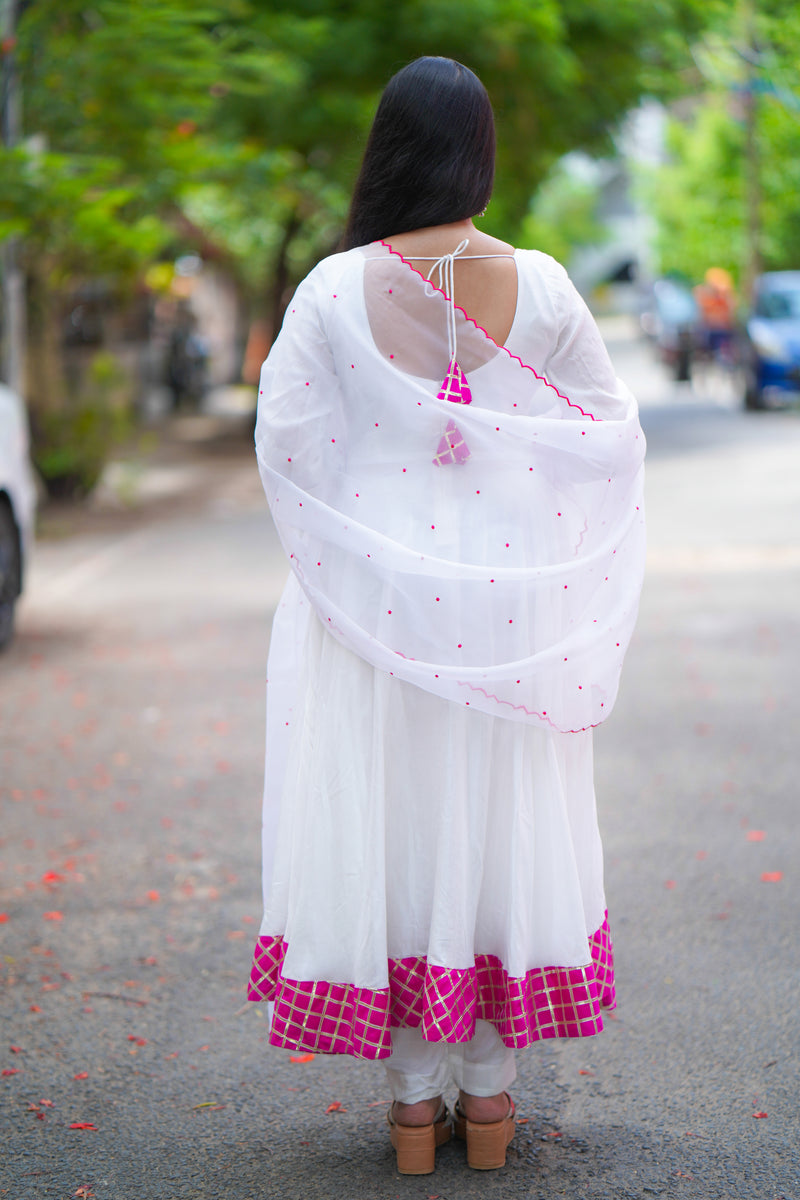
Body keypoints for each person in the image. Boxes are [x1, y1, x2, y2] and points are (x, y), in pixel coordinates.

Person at [247, 56, 646, 1176]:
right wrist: (512, 488)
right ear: (478, 149)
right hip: (502, 614)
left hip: (372, 607)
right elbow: (608, 435)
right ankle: (488, 1107)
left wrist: (365, 519)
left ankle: (412, 1113)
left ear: (388, 148)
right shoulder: (547, 285)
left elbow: (286, 446)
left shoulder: (331, 290)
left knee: (398, 833)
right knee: (490, 830)